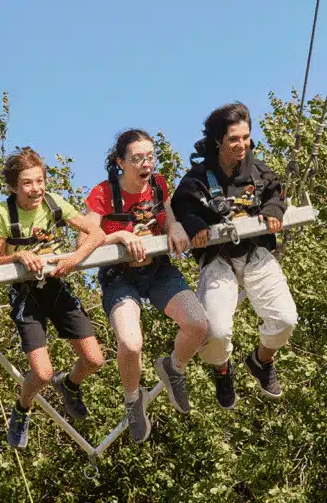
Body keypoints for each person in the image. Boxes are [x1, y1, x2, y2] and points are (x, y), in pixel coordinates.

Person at [171, 102, 298, 409]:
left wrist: (272, 211)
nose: (242, 145)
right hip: (219, 258)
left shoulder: (257, 170)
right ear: (218, 141)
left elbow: (274, 192)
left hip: (255, 251)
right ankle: (222, 368)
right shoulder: (198, 179)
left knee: (285, 319)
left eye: (246, 137)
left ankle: (261, 360)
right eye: (233, 139)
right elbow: (181, 207)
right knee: (215, 330)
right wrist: (196, 226)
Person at [85, 129, 208, 442]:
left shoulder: (158, 185)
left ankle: (174, 367)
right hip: (119, 275)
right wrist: (118, 236)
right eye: (137, 158)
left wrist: (177, 228)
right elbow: (83, 241)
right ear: (121, 162)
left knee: (197, 323)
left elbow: (168, 219)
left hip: (157, 270)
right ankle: (132, 400)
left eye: (150, 157)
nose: (146, 164)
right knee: (130, 344)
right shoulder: (102, 194)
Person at [0, 147, 106, 449]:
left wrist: (74, 259)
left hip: (54, 284)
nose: (36, 189)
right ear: (15, 187)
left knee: (94, 359)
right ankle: (22, 409)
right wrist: (21, 255)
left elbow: (96, 233)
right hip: (26, 294)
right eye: (28, 183)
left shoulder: (53, 204)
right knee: (42, 372)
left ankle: (70, 384)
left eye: (40, 181)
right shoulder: (3, 214)